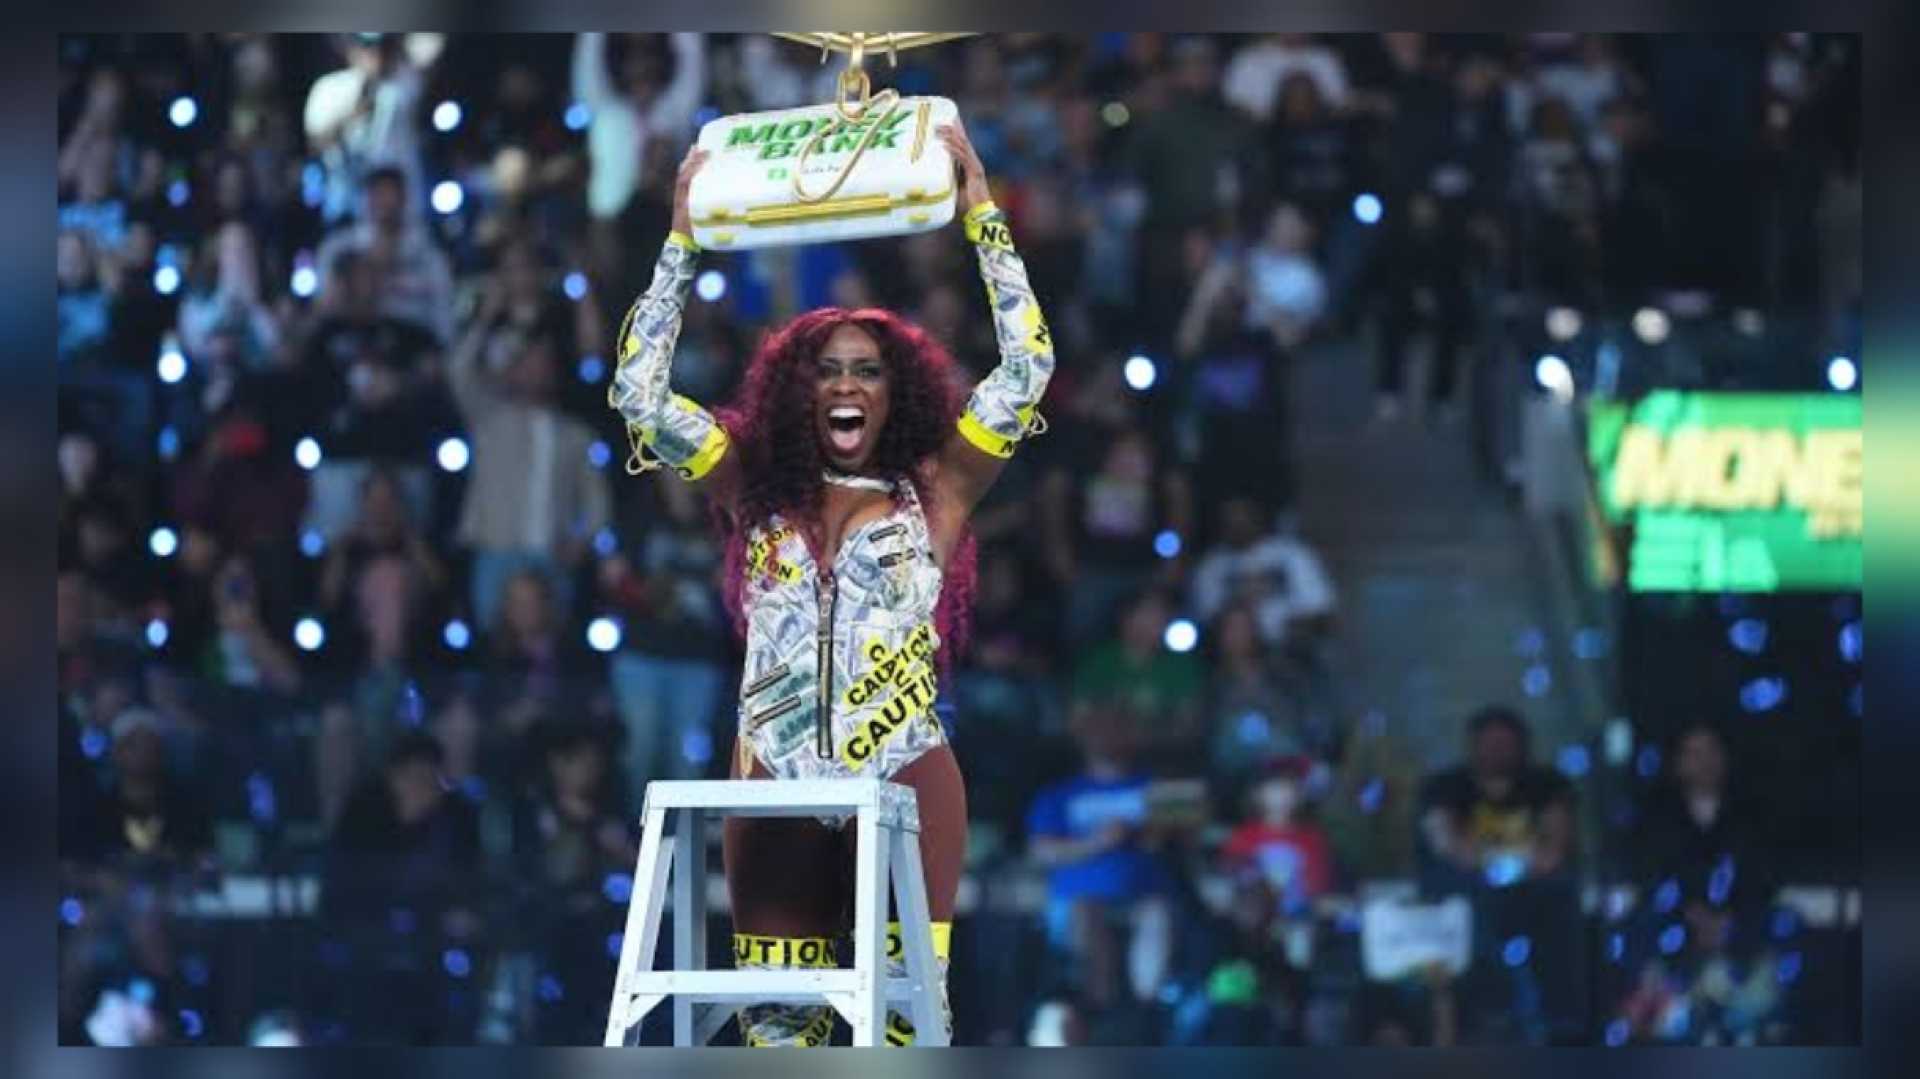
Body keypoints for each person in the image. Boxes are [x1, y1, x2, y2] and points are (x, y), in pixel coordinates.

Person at [606, 118, 1055, 1046]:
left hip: (905, 781)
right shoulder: (749, 483)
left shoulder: (939, 489)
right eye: (827, 371)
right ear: (796, 389)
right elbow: (640, 396)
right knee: (780, 1039)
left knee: (898, 1033)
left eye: (867, 371)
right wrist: (682, 242)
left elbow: (1028, 369)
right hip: (771, 785)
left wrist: (981, 218)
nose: (847, 385)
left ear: (896, 392)